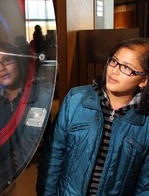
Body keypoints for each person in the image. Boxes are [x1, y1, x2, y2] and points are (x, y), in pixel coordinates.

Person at [36, 37, 149, 195]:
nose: (114, 71)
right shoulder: (76, 99)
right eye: (114, 61)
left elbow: (145, 184)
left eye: (126, 68)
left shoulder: (145, 122)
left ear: (143, 80)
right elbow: (53, 155)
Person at [0, 42, 51, 196]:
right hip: (8, 184)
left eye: (7, 60)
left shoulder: (41, 97)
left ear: (18, 62)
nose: (2, 68)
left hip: (35, 182)